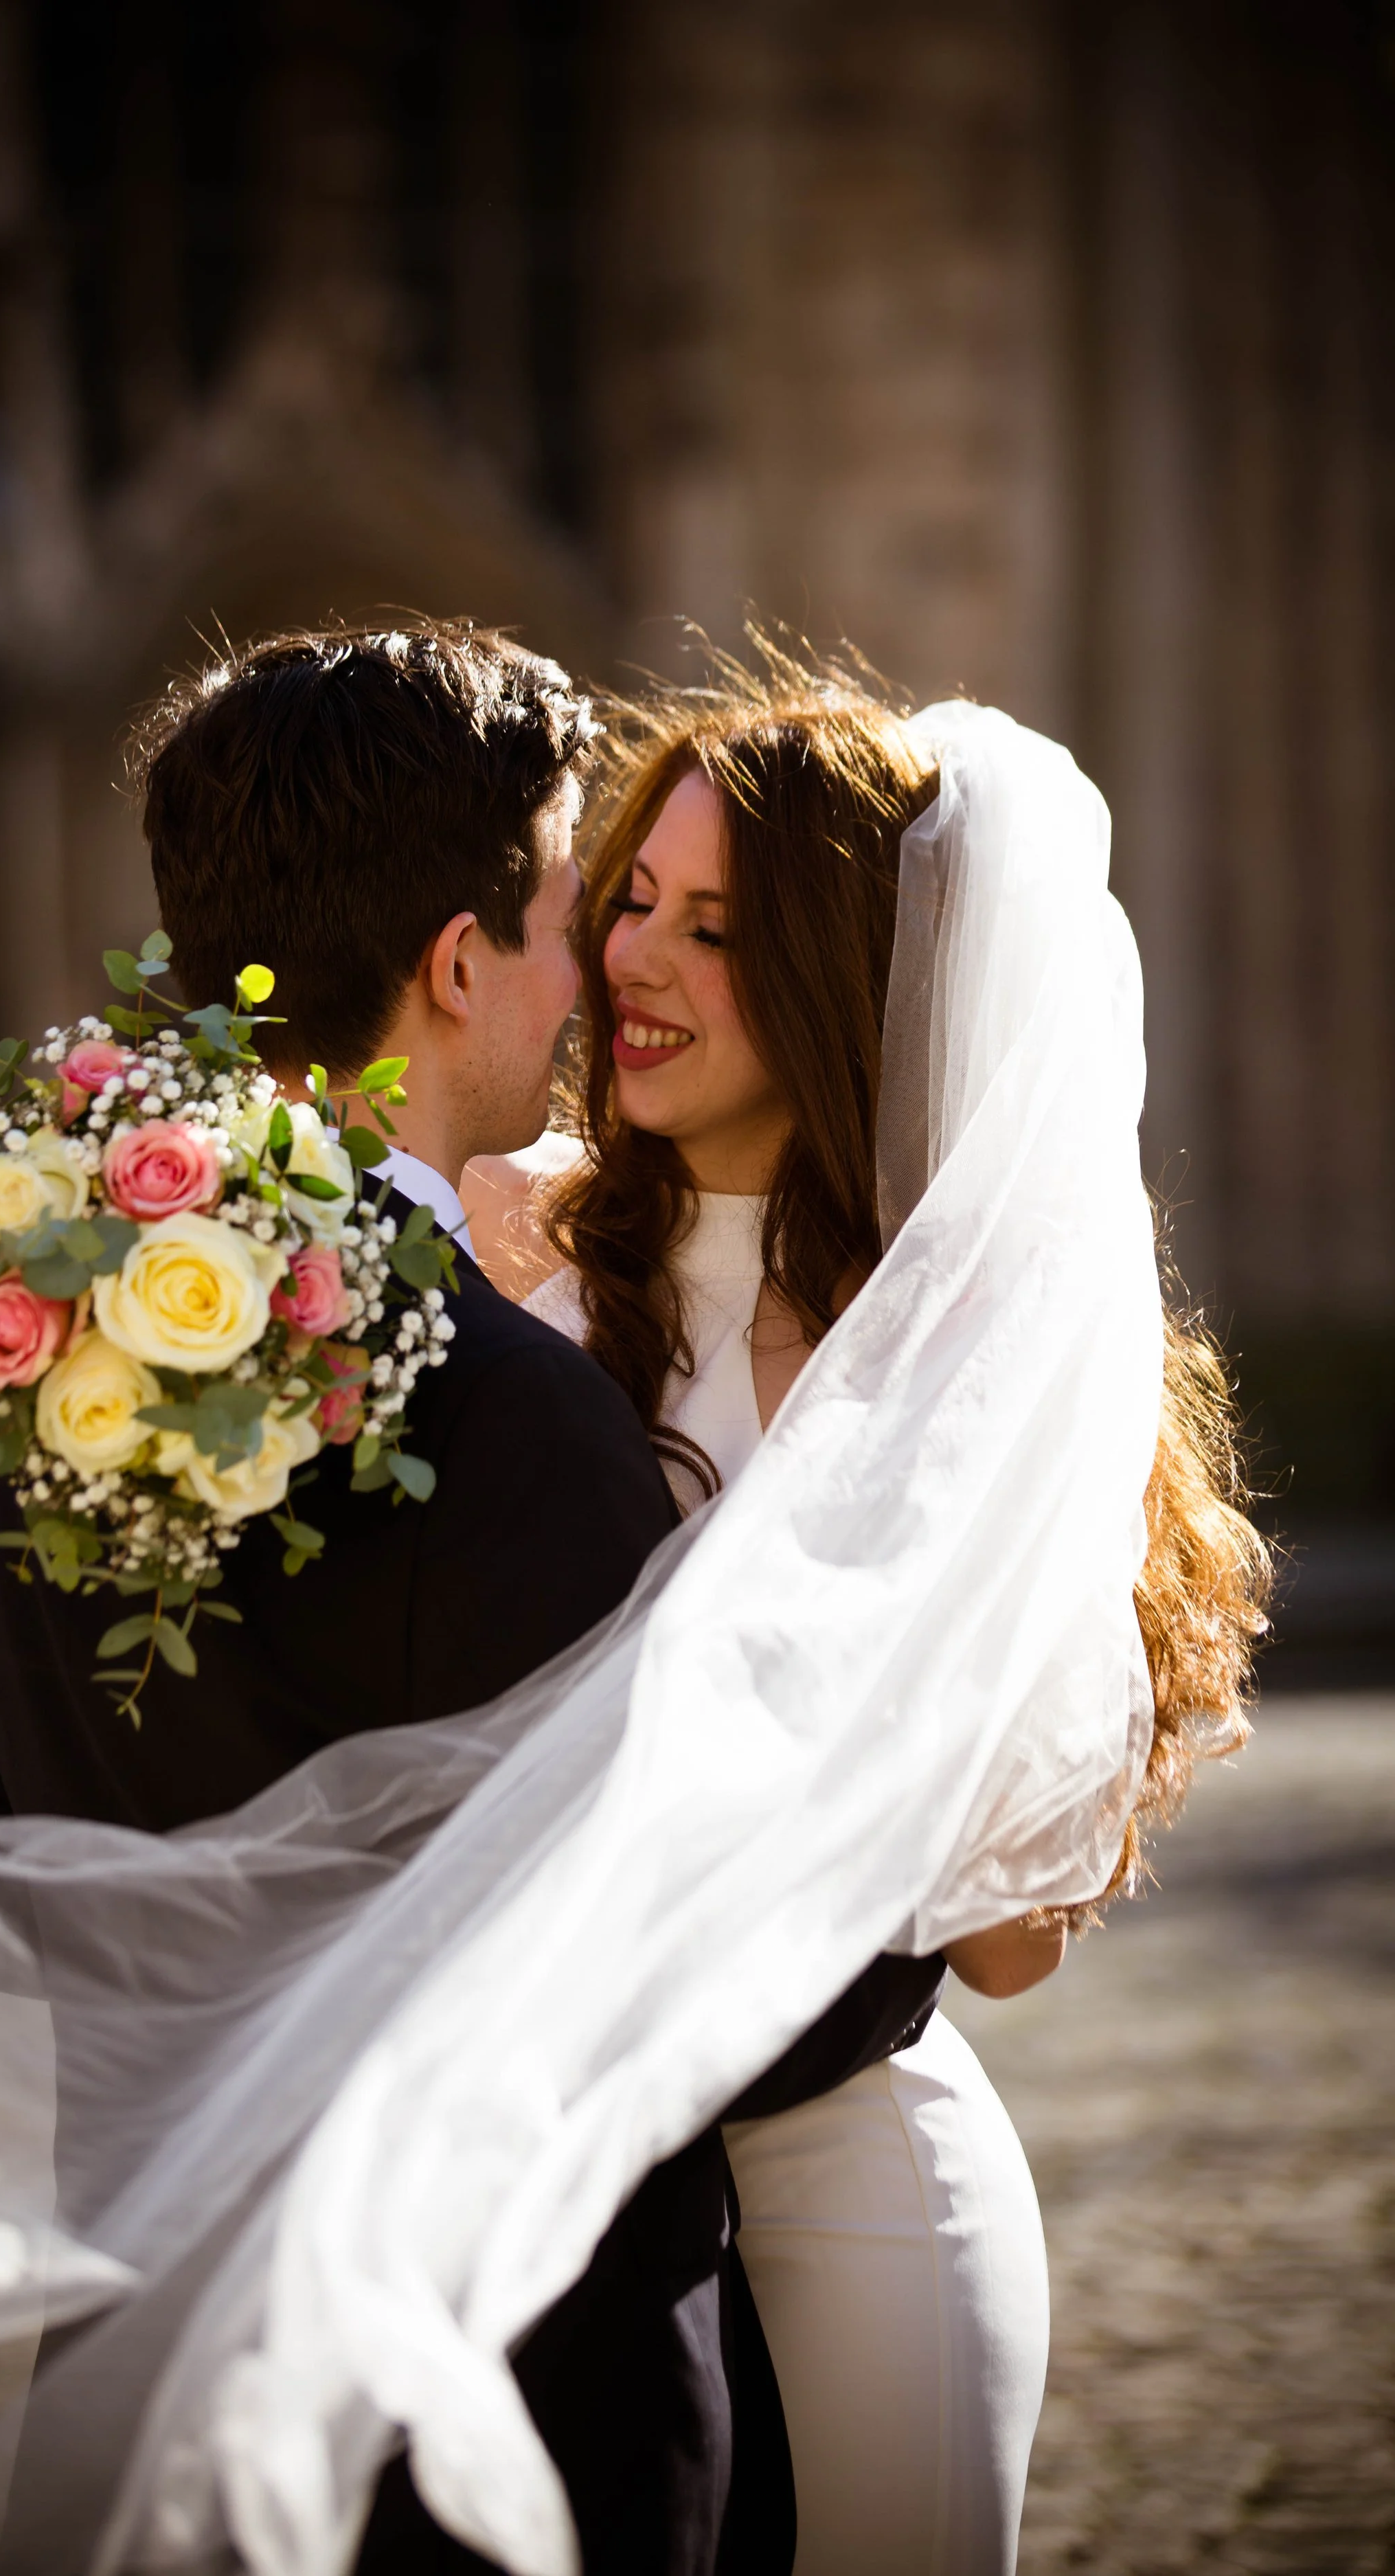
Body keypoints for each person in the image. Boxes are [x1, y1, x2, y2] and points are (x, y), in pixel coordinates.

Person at [0, 644, 1269, 2576]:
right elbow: (680, 1967)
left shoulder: (23, 1365)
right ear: (455, 964)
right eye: (583, 907)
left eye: (701, 922)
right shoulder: (522, 1407)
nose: (608, 967)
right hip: (514, 2372)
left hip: (155, 2319)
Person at [464, 647, 1272, 2575]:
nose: (635, 963)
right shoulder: (526, 1275)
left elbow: (999, 1950)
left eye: (717, 927)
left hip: (853, 2184)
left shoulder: (972, 1370)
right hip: (531, 2188)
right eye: (630, 903)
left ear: (846, 983)